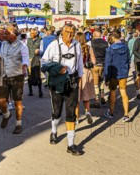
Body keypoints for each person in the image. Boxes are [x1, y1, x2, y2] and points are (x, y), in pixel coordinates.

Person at [41, 23, 84, 156]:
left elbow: (80, 62)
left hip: (72, 82)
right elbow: (44, 62)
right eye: (67, 32)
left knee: (71, 112)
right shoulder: (54, 45)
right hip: (57, 82)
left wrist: (80, 77)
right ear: (62, 32)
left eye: (72, 33)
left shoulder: (77, 45)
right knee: (57, 110)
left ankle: (71, 144)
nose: (70, 35)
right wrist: (56, 68)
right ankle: (54, 131)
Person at [0, 27, 28, 134]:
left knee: (17, 102)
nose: (4, 36)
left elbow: (25, 58)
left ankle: (18, 124)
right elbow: (1, 55)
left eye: (7, 34)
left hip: (17, 76)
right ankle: (6, 115)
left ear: (14, 35)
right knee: (0, 101)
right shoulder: (4, 44)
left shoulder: (22, 45)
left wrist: (25, 65)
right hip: (4, 75)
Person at [103, 30, 130, 121]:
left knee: (113, 92)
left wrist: (106, 77)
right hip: (123, 72)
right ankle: (126, 114)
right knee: (123, 92)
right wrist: (126, 71)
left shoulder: (110, 49)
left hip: (114, 74)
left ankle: (111, 112)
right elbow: (128, 61)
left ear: (113, 38)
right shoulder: (126, 47)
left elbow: (108, 64)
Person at [75, 32, 94, 125]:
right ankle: (88, 112)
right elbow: (93, 61)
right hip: (86, 72)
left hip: (77, 72)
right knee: (86, 95)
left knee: (76, 96)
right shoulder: (89, 47)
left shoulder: (74, 48)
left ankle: (76, 117)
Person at [89, 30, 109, 106]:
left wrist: (93, 63)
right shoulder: (106, 43)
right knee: (102, 81)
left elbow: (91, 54)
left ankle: (97, 101)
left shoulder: (91, 43)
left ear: (94, 35)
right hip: (103, 64)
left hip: (96, 64)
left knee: (96, 83)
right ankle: (102, 97)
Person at [26, 29, 43, 97]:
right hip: (29, 59)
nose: (31, 34)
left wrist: (39, 50)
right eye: (31, 33)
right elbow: (25, 49)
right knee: (29, 75)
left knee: (38, 75)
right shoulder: (28, 40)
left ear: (36, 34)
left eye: (33, 33)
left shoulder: (40, 40)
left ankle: (40, 90)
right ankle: (30, 90)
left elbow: (42, 50)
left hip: (36, 60)